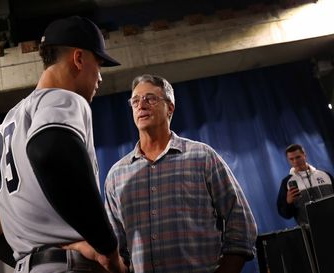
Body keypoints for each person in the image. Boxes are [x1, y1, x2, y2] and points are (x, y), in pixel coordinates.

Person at [0, 16, 128, 273]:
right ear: (79, 59)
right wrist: (107, 248)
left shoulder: (3, 131)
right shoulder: (65, 98)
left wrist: (31, 261)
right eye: (98, 65)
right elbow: (49, 149)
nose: (99, 77)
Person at [104, 74, 257, 273]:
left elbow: (241, 223)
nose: (141, 105)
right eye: (135, 101)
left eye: (150, 98)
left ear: (170, 108)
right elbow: (116, 249)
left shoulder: (202, 157)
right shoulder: (117, 175)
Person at [277, 143, 334, 225]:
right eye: (291, 159)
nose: (295, 161)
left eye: (298, 157)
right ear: (288, 160)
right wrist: (288, 202)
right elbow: (285, 214)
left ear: (304, 155)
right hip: (311, 231)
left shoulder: (325, 175)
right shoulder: (287, 183)